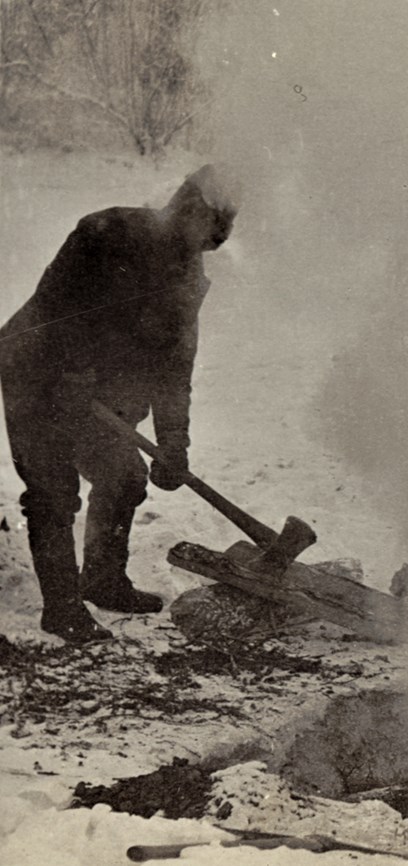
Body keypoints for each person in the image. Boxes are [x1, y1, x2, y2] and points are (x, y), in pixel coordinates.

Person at [0, 165, 238, 643]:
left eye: (211, 244)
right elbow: (56, 306)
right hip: (35, 369)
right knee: (52, 491)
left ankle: (104, 581)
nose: (200, 252)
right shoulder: (106, 233)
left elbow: (175, 367)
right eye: (202, 235)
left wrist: (174, 443)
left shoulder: (189, 280)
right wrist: (70, 372)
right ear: (186, 209)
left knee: (124, 476)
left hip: (97, 391)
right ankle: (62, 608)